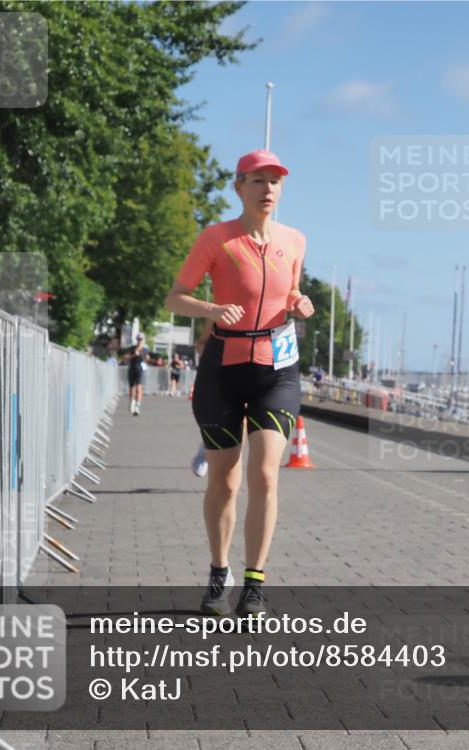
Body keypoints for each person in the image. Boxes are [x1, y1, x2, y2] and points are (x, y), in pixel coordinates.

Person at [165, 149, 314, 618]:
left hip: (277, 368)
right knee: (225, 483)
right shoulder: (217, 238)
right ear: (239, 187)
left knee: (266, 473)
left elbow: (287, 291)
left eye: (275, 181)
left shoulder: (295, 240)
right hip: (223, 368)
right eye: (258, 181)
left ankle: (254, 584)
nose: (267, 189)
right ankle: (217, 570)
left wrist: (300, 302)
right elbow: (176, 297)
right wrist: (210, 310)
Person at [123, 334, 147, 415]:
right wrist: (133, 355)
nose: (139, 341)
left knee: (139, 388)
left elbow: (147, 358)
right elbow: (125, 357)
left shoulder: (145, 349)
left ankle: (137, 406)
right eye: (138, 339)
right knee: (131, 388)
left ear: (143, 340)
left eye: (141, 339)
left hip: (140, 370)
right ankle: (131, 402)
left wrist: (147, 358)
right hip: (132, 369)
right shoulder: (132, 348)